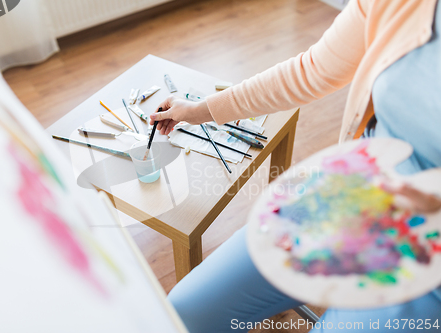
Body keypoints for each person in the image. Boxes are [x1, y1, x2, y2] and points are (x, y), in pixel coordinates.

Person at [149, 0, 441, 332]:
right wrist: (197, 110)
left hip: (429, 258)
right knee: (187, 310)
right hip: (354, 195)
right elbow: (312, 70)